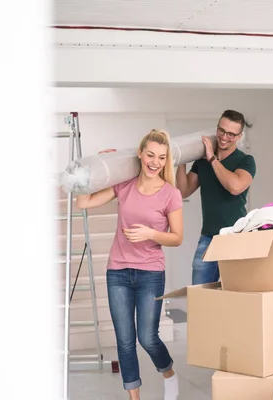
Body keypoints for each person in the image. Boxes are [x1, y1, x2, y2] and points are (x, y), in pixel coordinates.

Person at [76, 129, 184, 400]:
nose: (155, 161)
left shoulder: (171, 194)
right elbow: (84, 202)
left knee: (147, 338)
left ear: (165, 160)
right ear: (140, 154)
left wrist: (150, 234)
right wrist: (96, 169)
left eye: (161, 157)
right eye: (150, 154)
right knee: (125, 341)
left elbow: (177, 237)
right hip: (118, 272)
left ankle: (169, 373)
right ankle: (134, 397)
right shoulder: (124, 185)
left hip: (150, 272)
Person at [175, 109, 257, 284]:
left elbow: (235, 187)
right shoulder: (202, 162)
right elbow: (183, 191)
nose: (224, 137)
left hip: (235, 236)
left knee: (235, 293)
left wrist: (212, 158)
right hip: (208, 237)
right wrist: (181, 160)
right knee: (200, 293)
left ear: (239, 136)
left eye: (231, 134)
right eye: (221, 130)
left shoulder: (245, 161)